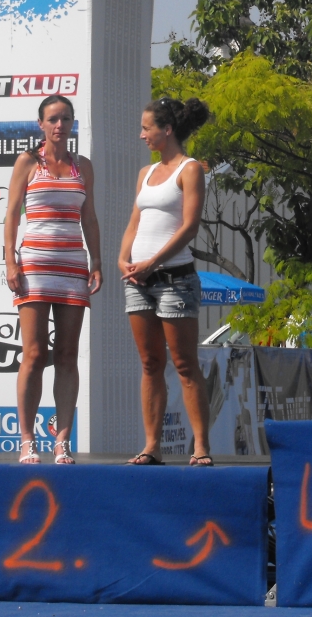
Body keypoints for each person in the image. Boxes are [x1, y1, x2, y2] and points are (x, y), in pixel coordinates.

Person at [4, 95, 103, 464]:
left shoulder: (82, 166)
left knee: (66, 354)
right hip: (34, 266)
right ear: (41, 124)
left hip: (72, 266)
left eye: (66, 119)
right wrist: (10, 262)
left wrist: (96, 261)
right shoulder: (28, 162)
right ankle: (27, 439)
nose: (60, 125)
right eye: (53, 119)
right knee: (33, 353)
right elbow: (11, 214)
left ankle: (62, 440)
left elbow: (88, 217)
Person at [119, 97, 213, 465]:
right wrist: (123, 258)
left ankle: (201, 447)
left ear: (167, 129)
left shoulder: (190, 169)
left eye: (147, 128)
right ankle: (151, 446)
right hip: (138, 282)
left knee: (185, 364)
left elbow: (190, 227)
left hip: (176, 280)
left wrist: (152, 262)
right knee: (150, 364)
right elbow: (135, 221)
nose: (142, 135)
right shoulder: (145, 172)